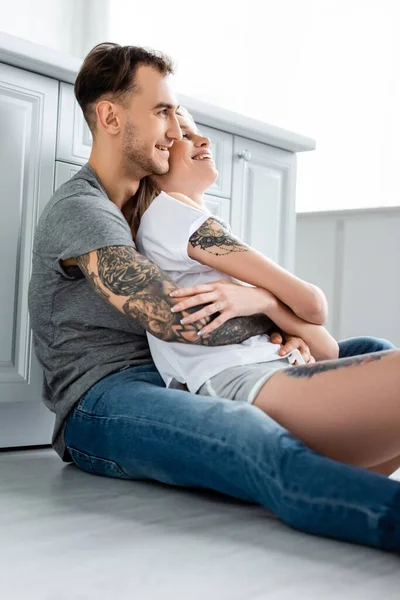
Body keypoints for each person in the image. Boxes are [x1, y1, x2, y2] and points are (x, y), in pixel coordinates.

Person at [27, 42, 400, 553]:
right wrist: (273, 312)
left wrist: (271, 316)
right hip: (103, 402)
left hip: (183, 375)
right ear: (111, 117)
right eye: (162, 113)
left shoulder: (154, 204)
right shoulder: (82, 208)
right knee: (246, 434)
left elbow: (220, 300)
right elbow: (176, 318)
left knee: (368, 349)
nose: (177, 131)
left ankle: (326, 460)